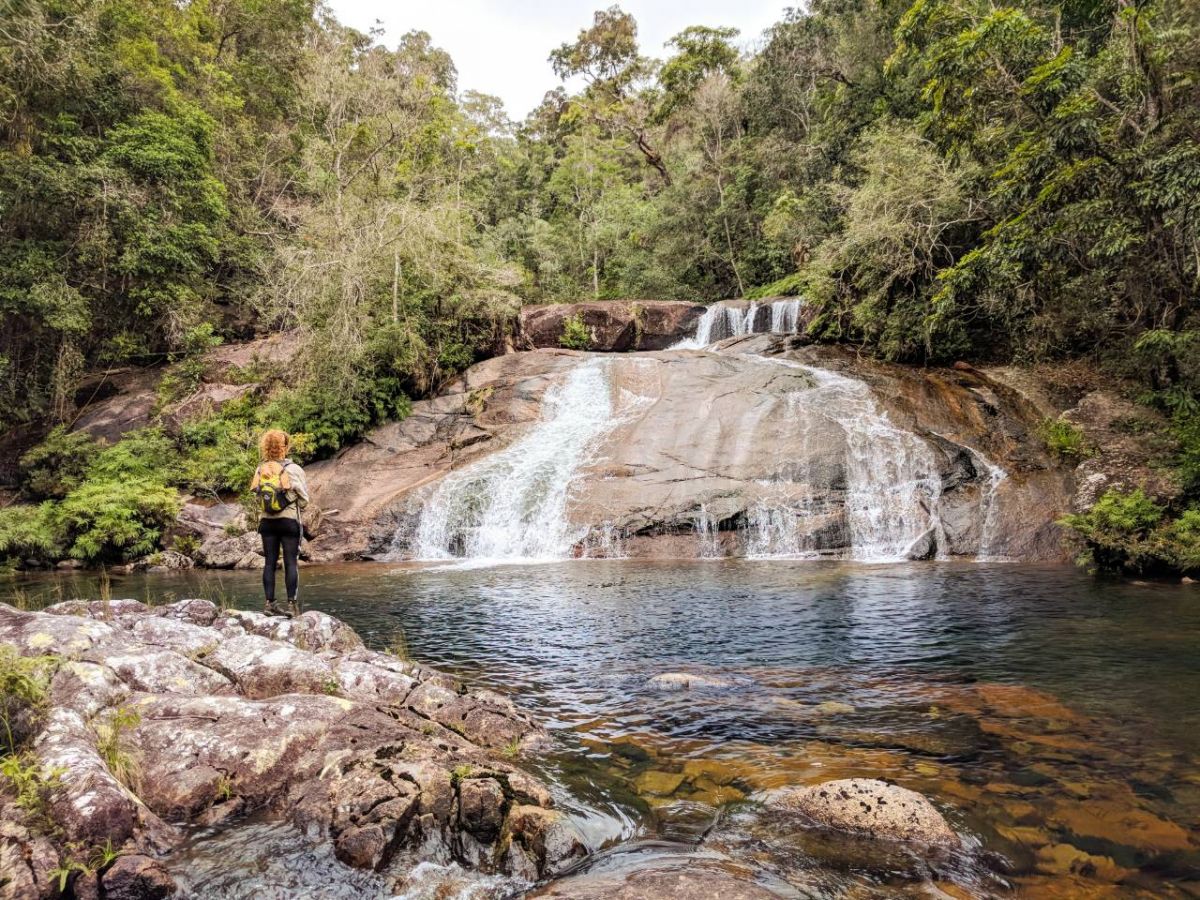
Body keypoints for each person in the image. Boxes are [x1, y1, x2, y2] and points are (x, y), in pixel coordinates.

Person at [250, 429, 309, 617]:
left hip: (267, 522)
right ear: (285, 446)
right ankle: (291, 606)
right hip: (289, 521)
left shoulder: (260, 469)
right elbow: (304, 501)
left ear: (266, 447)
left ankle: (269, 604)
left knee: (269, 563)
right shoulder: (293, 469)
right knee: (290, 562)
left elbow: (257, 496)